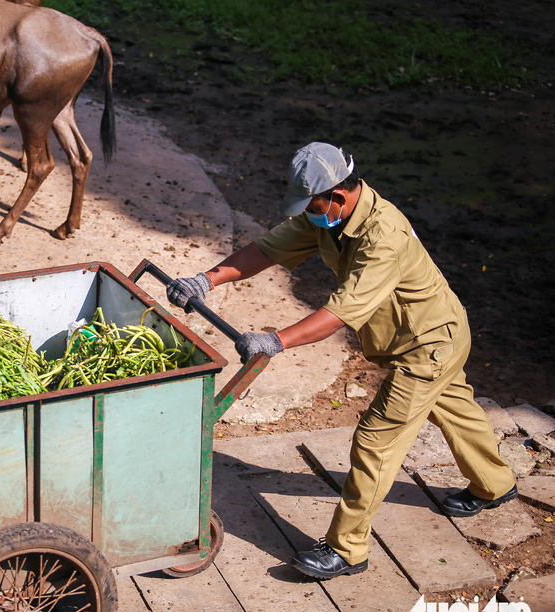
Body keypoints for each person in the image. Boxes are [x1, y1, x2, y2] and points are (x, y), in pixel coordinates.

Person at [166, 142, 517, 580]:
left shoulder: (382, 235)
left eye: (312, 205)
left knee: (375, 441)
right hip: (420, 336)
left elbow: (338, 313)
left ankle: (347, 548)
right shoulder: (328, 219)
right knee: (453, 407)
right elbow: (266, 250)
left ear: (338, 195)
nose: (308, 214)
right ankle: (496, 484)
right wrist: (206, 280)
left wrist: (275, 340)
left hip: (428, 346)